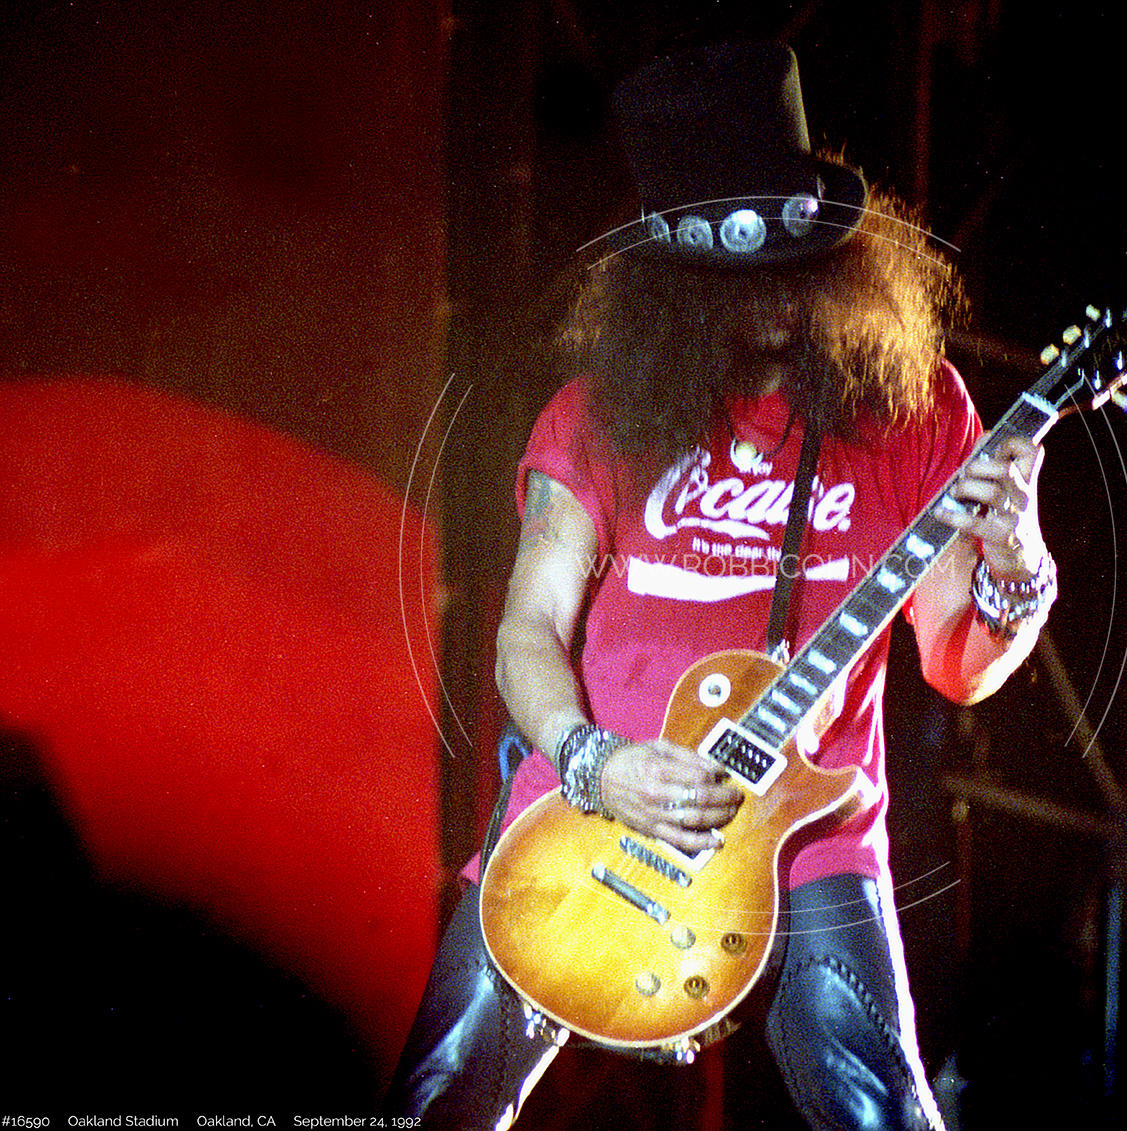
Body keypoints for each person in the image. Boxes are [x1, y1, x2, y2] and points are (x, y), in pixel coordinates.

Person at [387, 42, 1057, 1130]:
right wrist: (595, 762)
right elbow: (526, 629)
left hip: (807, 836)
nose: (774, 294)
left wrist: (1018, 562)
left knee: (880, 1108)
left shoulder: (914, 410)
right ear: (673, 284)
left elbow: (958, 665)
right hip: (586, 819)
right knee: (435, 1102)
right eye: (739, 273)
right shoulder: (594, 415)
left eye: (796, 257)